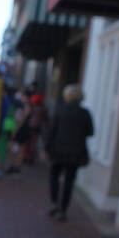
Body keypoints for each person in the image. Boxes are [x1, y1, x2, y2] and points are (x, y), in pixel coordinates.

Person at [45, 83, 95, 222]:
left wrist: (47, 147)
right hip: (75, 152)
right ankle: (63, 209)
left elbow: (51, 131)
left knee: (54, 176)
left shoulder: (59, 110)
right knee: (69, 180)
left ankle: (54, 202)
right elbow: (90, 132)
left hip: (58, 150)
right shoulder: (84, 113)